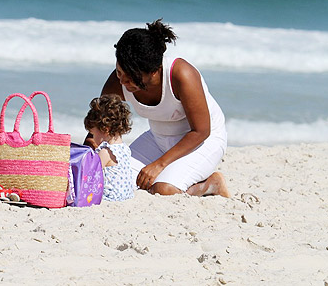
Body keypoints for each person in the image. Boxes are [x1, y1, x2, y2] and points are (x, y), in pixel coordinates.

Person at [85, 19, 230, 197]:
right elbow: (100, 123)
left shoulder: (181, 75)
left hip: (203, 141)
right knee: (111, 179)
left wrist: (159, 165)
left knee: (163, 190)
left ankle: (210, 184)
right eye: (119, 72)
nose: (122, 81)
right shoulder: (118, 81)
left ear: (154, 71)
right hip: (158, 139)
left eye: (130, 78)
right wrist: (85, 155)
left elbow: (201, 131)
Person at [83, 95, 134, 202]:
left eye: (93, 134)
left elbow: (89, 175)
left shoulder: (105, 152)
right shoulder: (125, 148)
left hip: (110, 198)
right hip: (126, 195)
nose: (93, 138)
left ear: (105, 129)